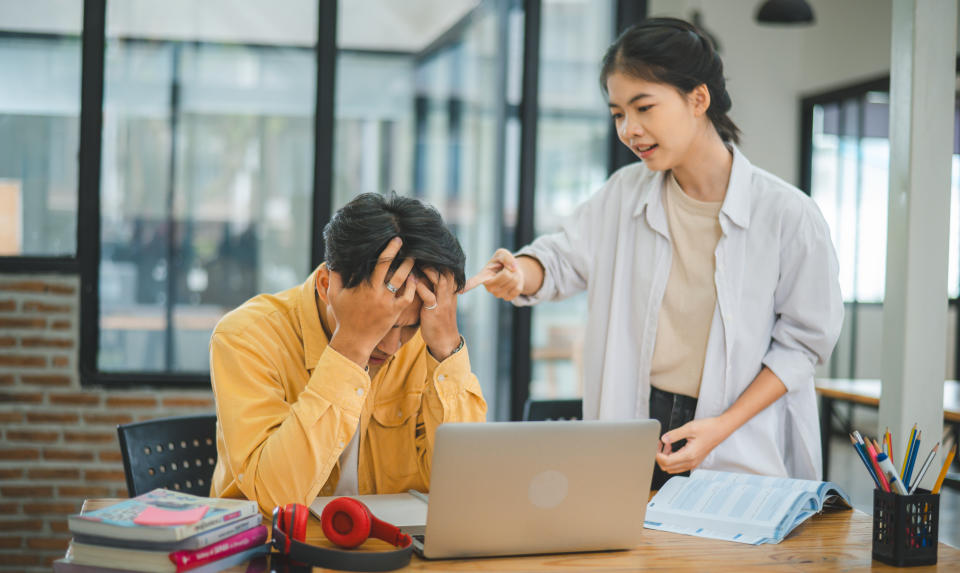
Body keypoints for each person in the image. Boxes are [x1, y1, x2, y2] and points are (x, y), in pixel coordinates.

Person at [467, 18, 842, 487]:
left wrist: (721, 428)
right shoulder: (624, 193)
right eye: (618, 114)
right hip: (638, 420)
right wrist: (521, 272)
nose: (630, 129)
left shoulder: (788, 215)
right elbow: (562, 257)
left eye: (644, 107)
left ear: (698, 99)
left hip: (738, 428)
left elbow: (803, 344)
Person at [210, 192, 487, 512]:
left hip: (391, 552)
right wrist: (351, 347)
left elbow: (464, 489)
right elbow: (276, 500)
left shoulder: (425, 340)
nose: (390, 346)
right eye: (379, 322)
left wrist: (446, 348)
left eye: (406, 327)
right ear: (326, 285)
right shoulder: (246, 337)